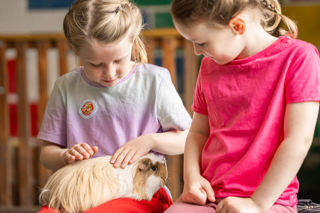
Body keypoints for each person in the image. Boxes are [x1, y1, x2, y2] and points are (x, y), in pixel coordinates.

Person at [166, 0, 320, 213]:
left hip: (269, 201)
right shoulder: (209, 66)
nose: (196, 51)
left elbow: (298, 141)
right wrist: (191, 177)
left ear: (237, 26)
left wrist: (256, 204)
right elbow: (199, 131)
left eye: (201, 42)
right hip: (209, 198)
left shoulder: (300, 57)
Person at [37, 0, 191, 211]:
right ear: (76, 50)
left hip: (138, 192)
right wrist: (64, 156)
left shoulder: (154, 80)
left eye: (119, 60)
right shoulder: (66, 87)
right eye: (95, 64)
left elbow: (187, 139)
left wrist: (150, 141)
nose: (109, 73)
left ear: (133, 43)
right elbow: (47, 153)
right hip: (84, 192)